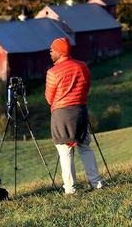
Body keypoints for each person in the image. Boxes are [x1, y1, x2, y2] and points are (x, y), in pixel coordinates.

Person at [45, 37, 104, 194]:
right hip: (80, 111)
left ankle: (70, 189)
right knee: (85, 147)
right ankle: (96, 182)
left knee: (65, 151)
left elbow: (49, 98)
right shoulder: (82, 66)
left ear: (59, 52)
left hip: (61, 114)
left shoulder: (52, 72)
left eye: (52, 50)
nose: (50, 53)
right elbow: (86, 87)